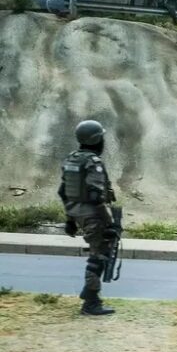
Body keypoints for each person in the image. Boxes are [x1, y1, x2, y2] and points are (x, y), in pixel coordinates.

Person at [58, 120, 118, 316]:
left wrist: (69, 219)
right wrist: (109, 222)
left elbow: (64, 192)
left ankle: (90, 294)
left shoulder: (71, 159)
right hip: (93, 215)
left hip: (76, 211)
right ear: (96, 140)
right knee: (99, 255)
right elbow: (95, 196)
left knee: (97, 254)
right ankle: (91, 302)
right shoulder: (93, 162)